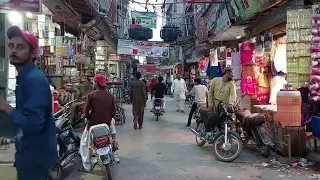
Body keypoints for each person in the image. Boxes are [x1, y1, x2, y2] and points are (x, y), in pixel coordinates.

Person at [0, 26, 57, 179]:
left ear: (33, 54)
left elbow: (33, 124)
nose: (13, 51)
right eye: (11, 46)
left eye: (20, 47)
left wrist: (6, 108)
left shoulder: (33, 80)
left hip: (34, 158)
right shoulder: (26, 78)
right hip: (32, 154)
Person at [79, 74, 117, 172]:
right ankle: (113, 151)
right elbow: (113, 113)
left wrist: (90, 118)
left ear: (96, 83)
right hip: (106, 125)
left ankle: (86, 166)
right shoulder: (111, 96)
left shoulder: (91, 95)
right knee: (112, 134)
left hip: (93, 125)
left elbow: (86, 112)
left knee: (84, 143)